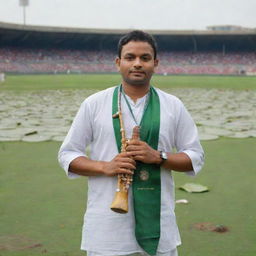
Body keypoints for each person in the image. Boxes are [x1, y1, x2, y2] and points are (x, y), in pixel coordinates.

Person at [58, 30, 204, 256]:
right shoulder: (94, 104)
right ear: (118, 63)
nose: (137, 63)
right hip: (108, 229)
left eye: (145, 58)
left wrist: (159, 157)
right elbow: (67, 155)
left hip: (159, 226)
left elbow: (195, 156)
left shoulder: (173, 105)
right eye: (130, 57)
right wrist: (105, 166)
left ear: (155, 63)